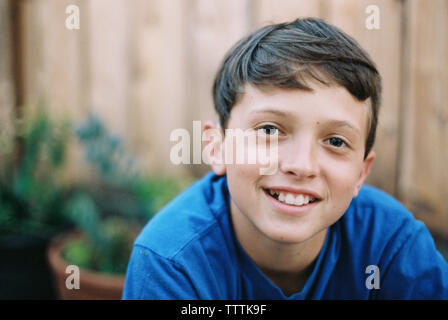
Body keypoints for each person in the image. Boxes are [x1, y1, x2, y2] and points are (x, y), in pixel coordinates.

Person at [122, 18, 448, 299]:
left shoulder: (392, 247)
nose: (301, 165)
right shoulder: (171, 263)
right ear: (217, 147)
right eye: (269, 130)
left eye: (335, 141)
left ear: (361, 174)